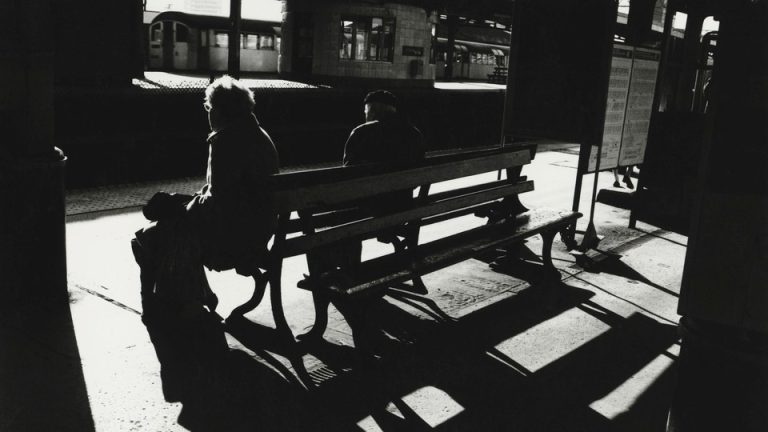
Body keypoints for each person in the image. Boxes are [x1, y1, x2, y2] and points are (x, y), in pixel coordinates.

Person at [130, 75, 279, 399]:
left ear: (219, 110)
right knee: (168, 218)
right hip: (256, 232)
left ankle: (176, 304)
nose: (208, 113)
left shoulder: (225, 139)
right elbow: (229, 195)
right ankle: (194, 298)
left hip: (230, 239)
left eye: (209, 107)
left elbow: (218, 201)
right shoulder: (261, 136)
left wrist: (183, 205)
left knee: (153, 234)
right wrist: (189, 201)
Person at [302, 90, 425, 286]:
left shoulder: (363, 133)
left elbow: (348, 179)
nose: (365, 116)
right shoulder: (414, 134)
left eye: (366, 112)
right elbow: (417, 179)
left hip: (368, 213)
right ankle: (346, 270)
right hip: (402, 210)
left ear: (373, 112)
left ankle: (332, 273)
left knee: (323, 215)